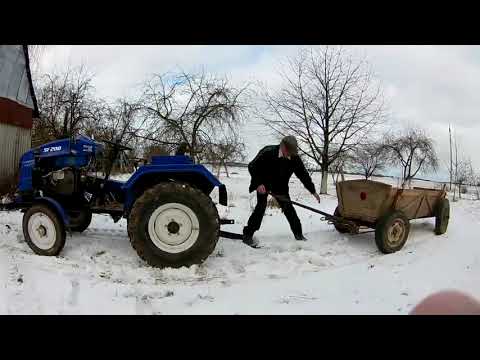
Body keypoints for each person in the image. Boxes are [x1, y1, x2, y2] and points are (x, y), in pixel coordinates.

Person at [243, 135, 321, 248]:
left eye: (293, 152)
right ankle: (248, 235)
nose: (290, 154)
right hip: (263, 184)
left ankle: (299, 235)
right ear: (283, 146)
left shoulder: (294, 158)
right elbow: (252, 166)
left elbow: (303, 174)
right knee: (260, 207)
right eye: (289, 151)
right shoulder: (268, 151)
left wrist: (313, 191)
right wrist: (258, 183)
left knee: (289, 209)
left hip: (280, 187)